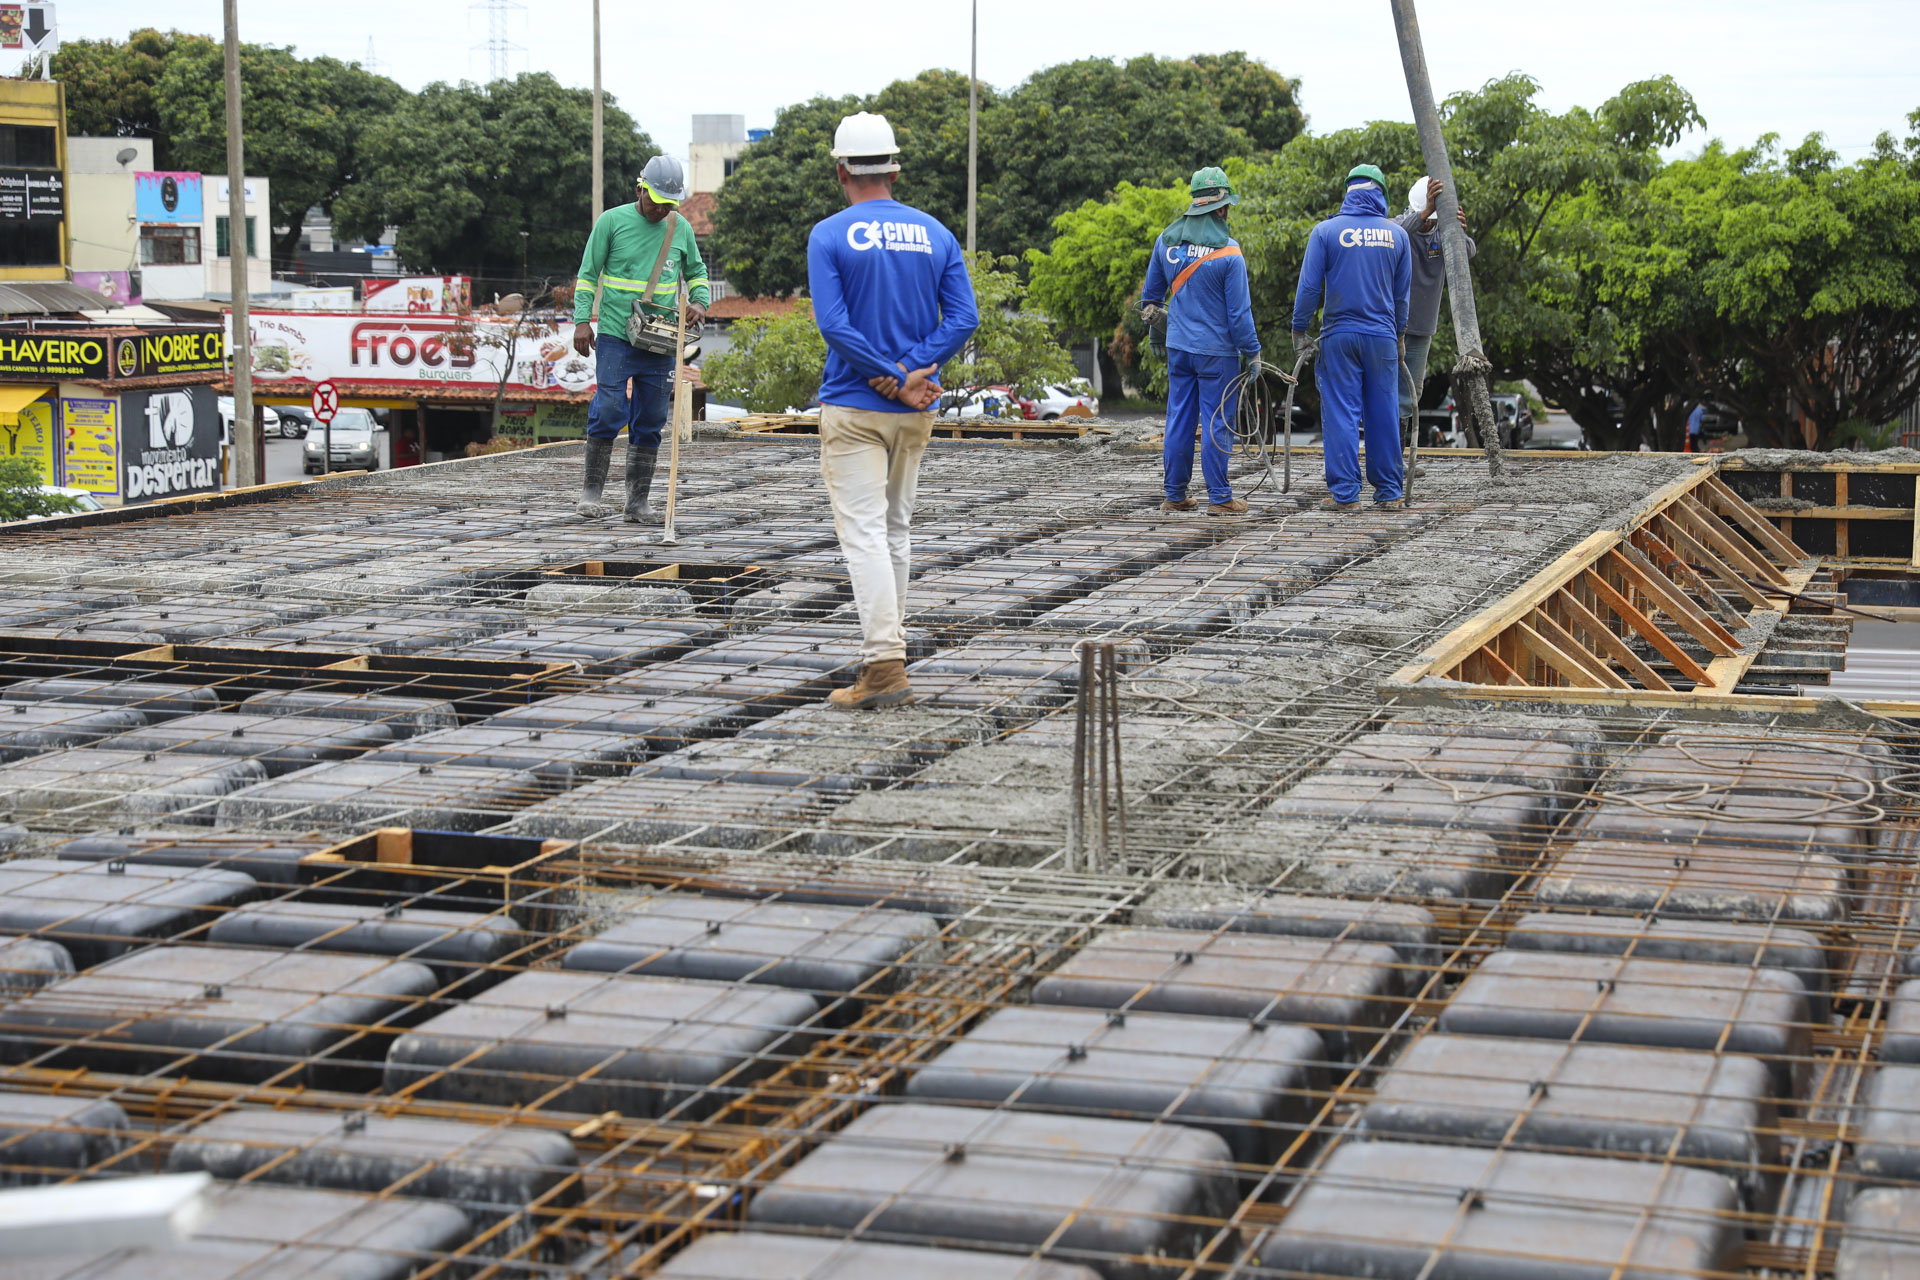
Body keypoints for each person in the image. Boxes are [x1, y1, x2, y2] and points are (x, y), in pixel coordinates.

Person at [808, 111, 979, 710]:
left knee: (863, 535)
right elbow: (964, 318)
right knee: (896, 527)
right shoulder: (936, 234)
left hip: (856, 407)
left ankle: (884, 665)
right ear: (895, 169)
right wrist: (913, 373)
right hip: (916, 409)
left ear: (841, 172)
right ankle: (890, 650)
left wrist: (886, 377)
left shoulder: (829, 235)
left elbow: (833, 325)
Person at [571, 153, 710, 521]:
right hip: (617, 333)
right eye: (656, 201)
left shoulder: (679, 228)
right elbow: (588, 274)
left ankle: (637, 503)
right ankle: (591, 493)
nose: (661, 210)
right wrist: (582, 320)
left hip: (660, 338)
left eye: (669, 204)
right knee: (611, 408)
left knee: (649, 418)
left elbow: (696, 271)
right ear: (640, 190)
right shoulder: (612, 221)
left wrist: (700, 300)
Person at [1291, 163, 1413, 510]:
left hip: (1339, 338)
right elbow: (1402, 295)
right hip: (1382, 338)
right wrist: (1400, 334)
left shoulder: (1326, 232)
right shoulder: (1398, 236)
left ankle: (1346, 495)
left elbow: (1309, 287)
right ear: (1381, 195)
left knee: (1342, 413)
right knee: (1384, 412)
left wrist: (1300, 330)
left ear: (1348, 193)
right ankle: (1389, 493)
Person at [1139, 166, 1260, 515]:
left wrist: (1156, 335)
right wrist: (1252, 352)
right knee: (1216, 422)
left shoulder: (1167, 241)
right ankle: (1220, 498)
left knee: (1179, 419)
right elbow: (1239, 316)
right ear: (1221, 209)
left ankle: (1175, 494)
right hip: (1217, 354)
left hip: (1178, 349)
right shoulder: (1230, 253)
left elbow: (1151, 300)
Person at [1395, 176, 1474, 430]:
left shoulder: (1442, 233)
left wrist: (1459, 230)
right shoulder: (1399, 227)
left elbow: (1469, 252)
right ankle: (1387, 457)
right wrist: (1423, 215)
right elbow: (1393, 234)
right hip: (1392, 325)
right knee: (1384, 389)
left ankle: (1399, 458)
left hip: (1421, 327)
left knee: (1410, 394)